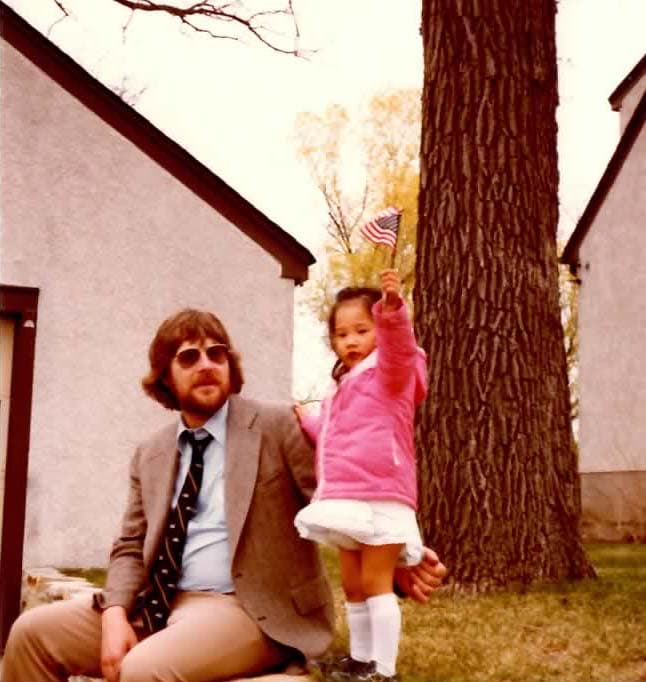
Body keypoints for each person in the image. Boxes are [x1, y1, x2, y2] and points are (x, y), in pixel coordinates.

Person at [3, 308, 446, 682]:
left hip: (246, 610)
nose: (206, 364)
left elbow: (340, 493)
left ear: (231, 366)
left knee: (144, 670)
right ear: (165, 378)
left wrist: (391, 560)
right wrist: (116, 613)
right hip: (155, 603)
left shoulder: (276, 426)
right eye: (189, 357)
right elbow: (131, 547)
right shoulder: (151, 453)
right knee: (31, 634)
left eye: (216, 354)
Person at [293, 270, 427, 682]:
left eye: (361, 330)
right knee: (352, 584)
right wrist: (308, 419)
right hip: (346, 499)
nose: (350, 341)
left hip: (382, 494)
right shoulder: (344, 386)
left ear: (379, 332)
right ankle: (359, 659)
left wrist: (392, 312)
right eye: (341, 334)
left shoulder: (391, 373)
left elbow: (401, 351)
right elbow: (334, 437)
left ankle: (383, 670)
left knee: (375, 582)